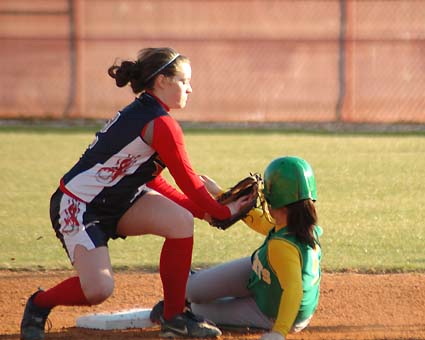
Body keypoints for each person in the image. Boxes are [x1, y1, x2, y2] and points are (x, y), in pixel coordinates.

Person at [19, 47, 253, 340]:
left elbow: (153, 181)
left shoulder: (150, 113)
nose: (190, 88)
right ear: (162, 81)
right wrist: (221, 212)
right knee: (99, 290)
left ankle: (174, 317)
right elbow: (189, 182)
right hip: (79, 205)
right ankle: (39, 304)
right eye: (183, 80)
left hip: (122, 200)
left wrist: (202, 212)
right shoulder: (159, 123)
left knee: (180, 222)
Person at [151, 156, 323, 340]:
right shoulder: (301, 226)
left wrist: (279, 332)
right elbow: (262, 221)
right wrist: (220, 193)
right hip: (264, 275)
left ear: (276, 202)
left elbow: (293, 290)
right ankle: (199, 283)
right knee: (190, 289)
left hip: (272, 310)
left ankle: (197, 301)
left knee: (197, 309)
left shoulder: (282, 247)